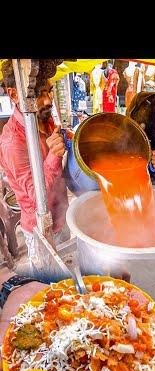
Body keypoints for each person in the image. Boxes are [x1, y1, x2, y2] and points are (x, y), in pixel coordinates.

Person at [0, 60, 70, 270]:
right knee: (48, 286)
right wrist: (53, 156)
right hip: (40, 230)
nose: (47, 100)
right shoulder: (12, 142)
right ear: (14, 95)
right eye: (39, 94)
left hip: (62, 217)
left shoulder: (43, 118)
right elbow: (34, 195)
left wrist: (65, 137)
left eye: (48, 91)